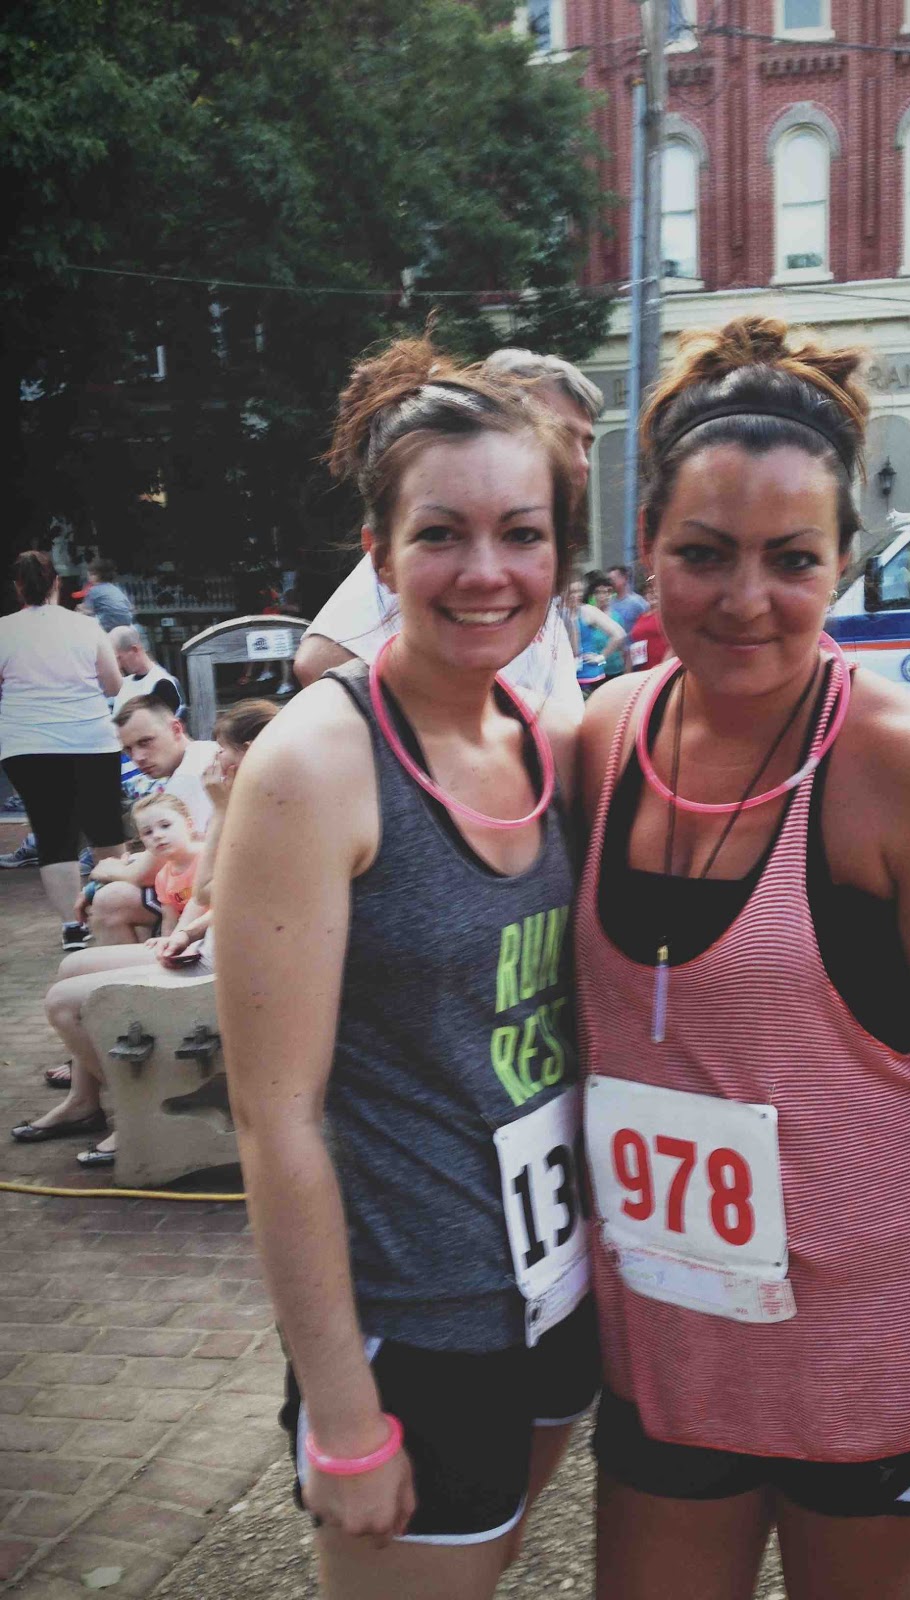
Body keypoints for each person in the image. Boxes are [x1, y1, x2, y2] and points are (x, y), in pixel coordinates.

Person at [576, 317, 910, 1599]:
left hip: (873, 1368)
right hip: (668, 1364)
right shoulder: (600, 741)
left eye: (792, 559)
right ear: (648, 548)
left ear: (844, 559)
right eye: (704, 554)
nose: (745, 599)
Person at [215, 337, 596, 1600]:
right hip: (414, 1327)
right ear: (379, 555)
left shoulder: (547, 738)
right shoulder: (317, 768)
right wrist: (342, 1414)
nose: (486, 571)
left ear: (561, 554)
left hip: (553, 1291)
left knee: (492, 1563)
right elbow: (273, 1117)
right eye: (442, 533)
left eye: (521, 534)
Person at [292, 346, 603, 717]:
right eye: (561, 435)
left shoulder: (533, 547)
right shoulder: (421, 547)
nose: (580, 462)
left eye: (586, 443)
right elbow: (320, 657)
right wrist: (439, 737)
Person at [39, 699, 280, 1102]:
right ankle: (97, 1094)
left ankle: (140, 1106)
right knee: (71, 966)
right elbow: (233, 897)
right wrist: (184, 934)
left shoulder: (254, 803)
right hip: (210, 944)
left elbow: (208, 891)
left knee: (63, 1000)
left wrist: (221, 809)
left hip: (227, 963)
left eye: (222, 750)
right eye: (128, 748)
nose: (215, 758)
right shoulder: (246, 794)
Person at [11, 792, 204, 1163]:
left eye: (166, 826)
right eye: (148, 832)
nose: (158, 836)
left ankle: (137, 1108)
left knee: (75, 996)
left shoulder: (207, 855)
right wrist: (167, 937)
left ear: (190, 824)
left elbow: (205, 910)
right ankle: (87, 1101)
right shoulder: (167, 872)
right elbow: (169, 917)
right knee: (71, 968)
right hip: (180, 946)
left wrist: (180, 937)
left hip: (199, 951)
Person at [0, 551, 126, 949]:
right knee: (105, 828)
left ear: (17, 587)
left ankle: (72, 926)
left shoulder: (3, 630)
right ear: (56, 583)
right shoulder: (86, 627)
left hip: (27, 744)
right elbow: (113, 684)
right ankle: (117, 910)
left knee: (53, 834)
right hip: (90, 739)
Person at [82, 697, 218, 945]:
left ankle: (137, 968)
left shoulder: (188, 776)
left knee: (110, 900)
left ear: (176, 729)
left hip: (227, 891)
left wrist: (104, 871)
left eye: (145, 742)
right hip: (219, 880)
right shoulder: (202, 752)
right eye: (128, 749)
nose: (138, 757)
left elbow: (145, 874)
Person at [564, 577, 626, 697]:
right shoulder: (558, 612)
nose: (576, 595)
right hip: (565, 675)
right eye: (572, 592)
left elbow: (619, 634)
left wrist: (601, 657)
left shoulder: (587, 611)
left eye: (579, 591)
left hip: (588, 676)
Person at [110, 625, 185, 718]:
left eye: (119, 658)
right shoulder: (123, 683)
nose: (119, 664)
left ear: (134, 650)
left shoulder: (162, 684)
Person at [78, 558, 135, 632]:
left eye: (90, 574)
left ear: (96, 575)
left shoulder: (93, 590)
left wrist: (81, 608)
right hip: (127, 623)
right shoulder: (116, 588)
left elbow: (87, 610)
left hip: (107, 624)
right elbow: (130, 607)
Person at [626, 575, 669, 672]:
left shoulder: (667, 614)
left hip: (662, 668)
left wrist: (662, 669)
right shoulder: (641, 617)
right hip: (642, 669)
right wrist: (627, 671)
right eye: (649, 592)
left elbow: (672, 645)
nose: (652, 594)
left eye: (656, 591)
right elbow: (634, 646)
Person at [608, 566, 649, 634]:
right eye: (609, 580)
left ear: (624, 578)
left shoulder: (637, 602)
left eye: (613, 579)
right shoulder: (609, 602)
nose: (610, 583)